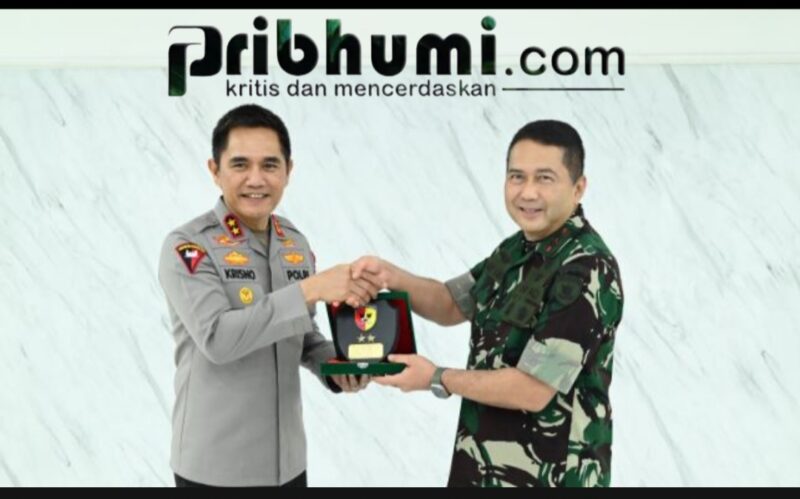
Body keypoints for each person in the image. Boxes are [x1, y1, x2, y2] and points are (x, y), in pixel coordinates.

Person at [352, 120, 624, 487]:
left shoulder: (585, 266)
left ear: (578, 188)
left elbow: (533, 389)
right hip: (482, 470)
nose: (527, 192)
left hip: (550, 476)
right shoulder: (515, 250)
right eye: (516, 177)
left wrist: (436, 378)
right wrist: (391, 277)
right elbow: (451, 303)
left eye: (545, 178)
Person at [158, 104, 378, 487]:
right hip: (215, 470)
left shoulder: (294, 241)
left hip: (288, 466)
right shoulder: (188, 246)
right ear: (215, 170)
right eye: (240, 164)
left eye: (270, 165)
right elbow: (217, 339)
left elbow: (301, 333)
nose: (256, 179)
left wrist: (336, 365)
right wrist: (310, 289)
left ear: (288, 171)